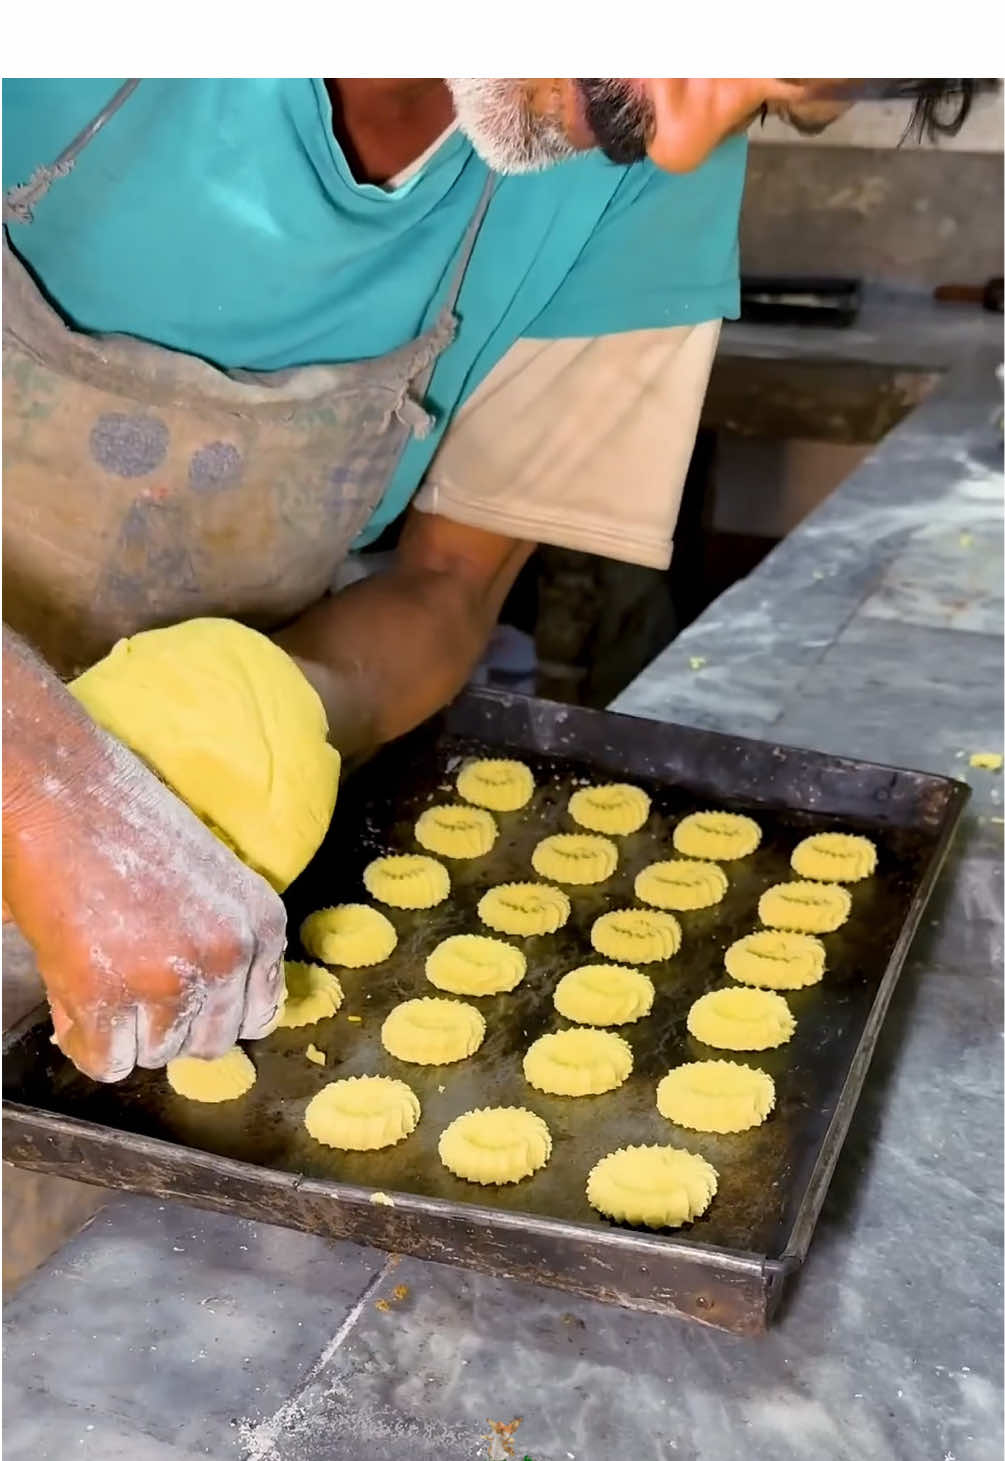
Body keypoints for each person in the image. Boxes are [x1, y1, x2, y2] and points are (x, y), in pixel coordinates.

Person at [1, 78, 982, 1082]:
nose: (689, 141)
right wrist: (47, 785)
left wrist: (246, 732)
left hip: (155, 929)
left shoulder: (640, 161)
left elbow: (450, 587)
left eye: (769, 105)